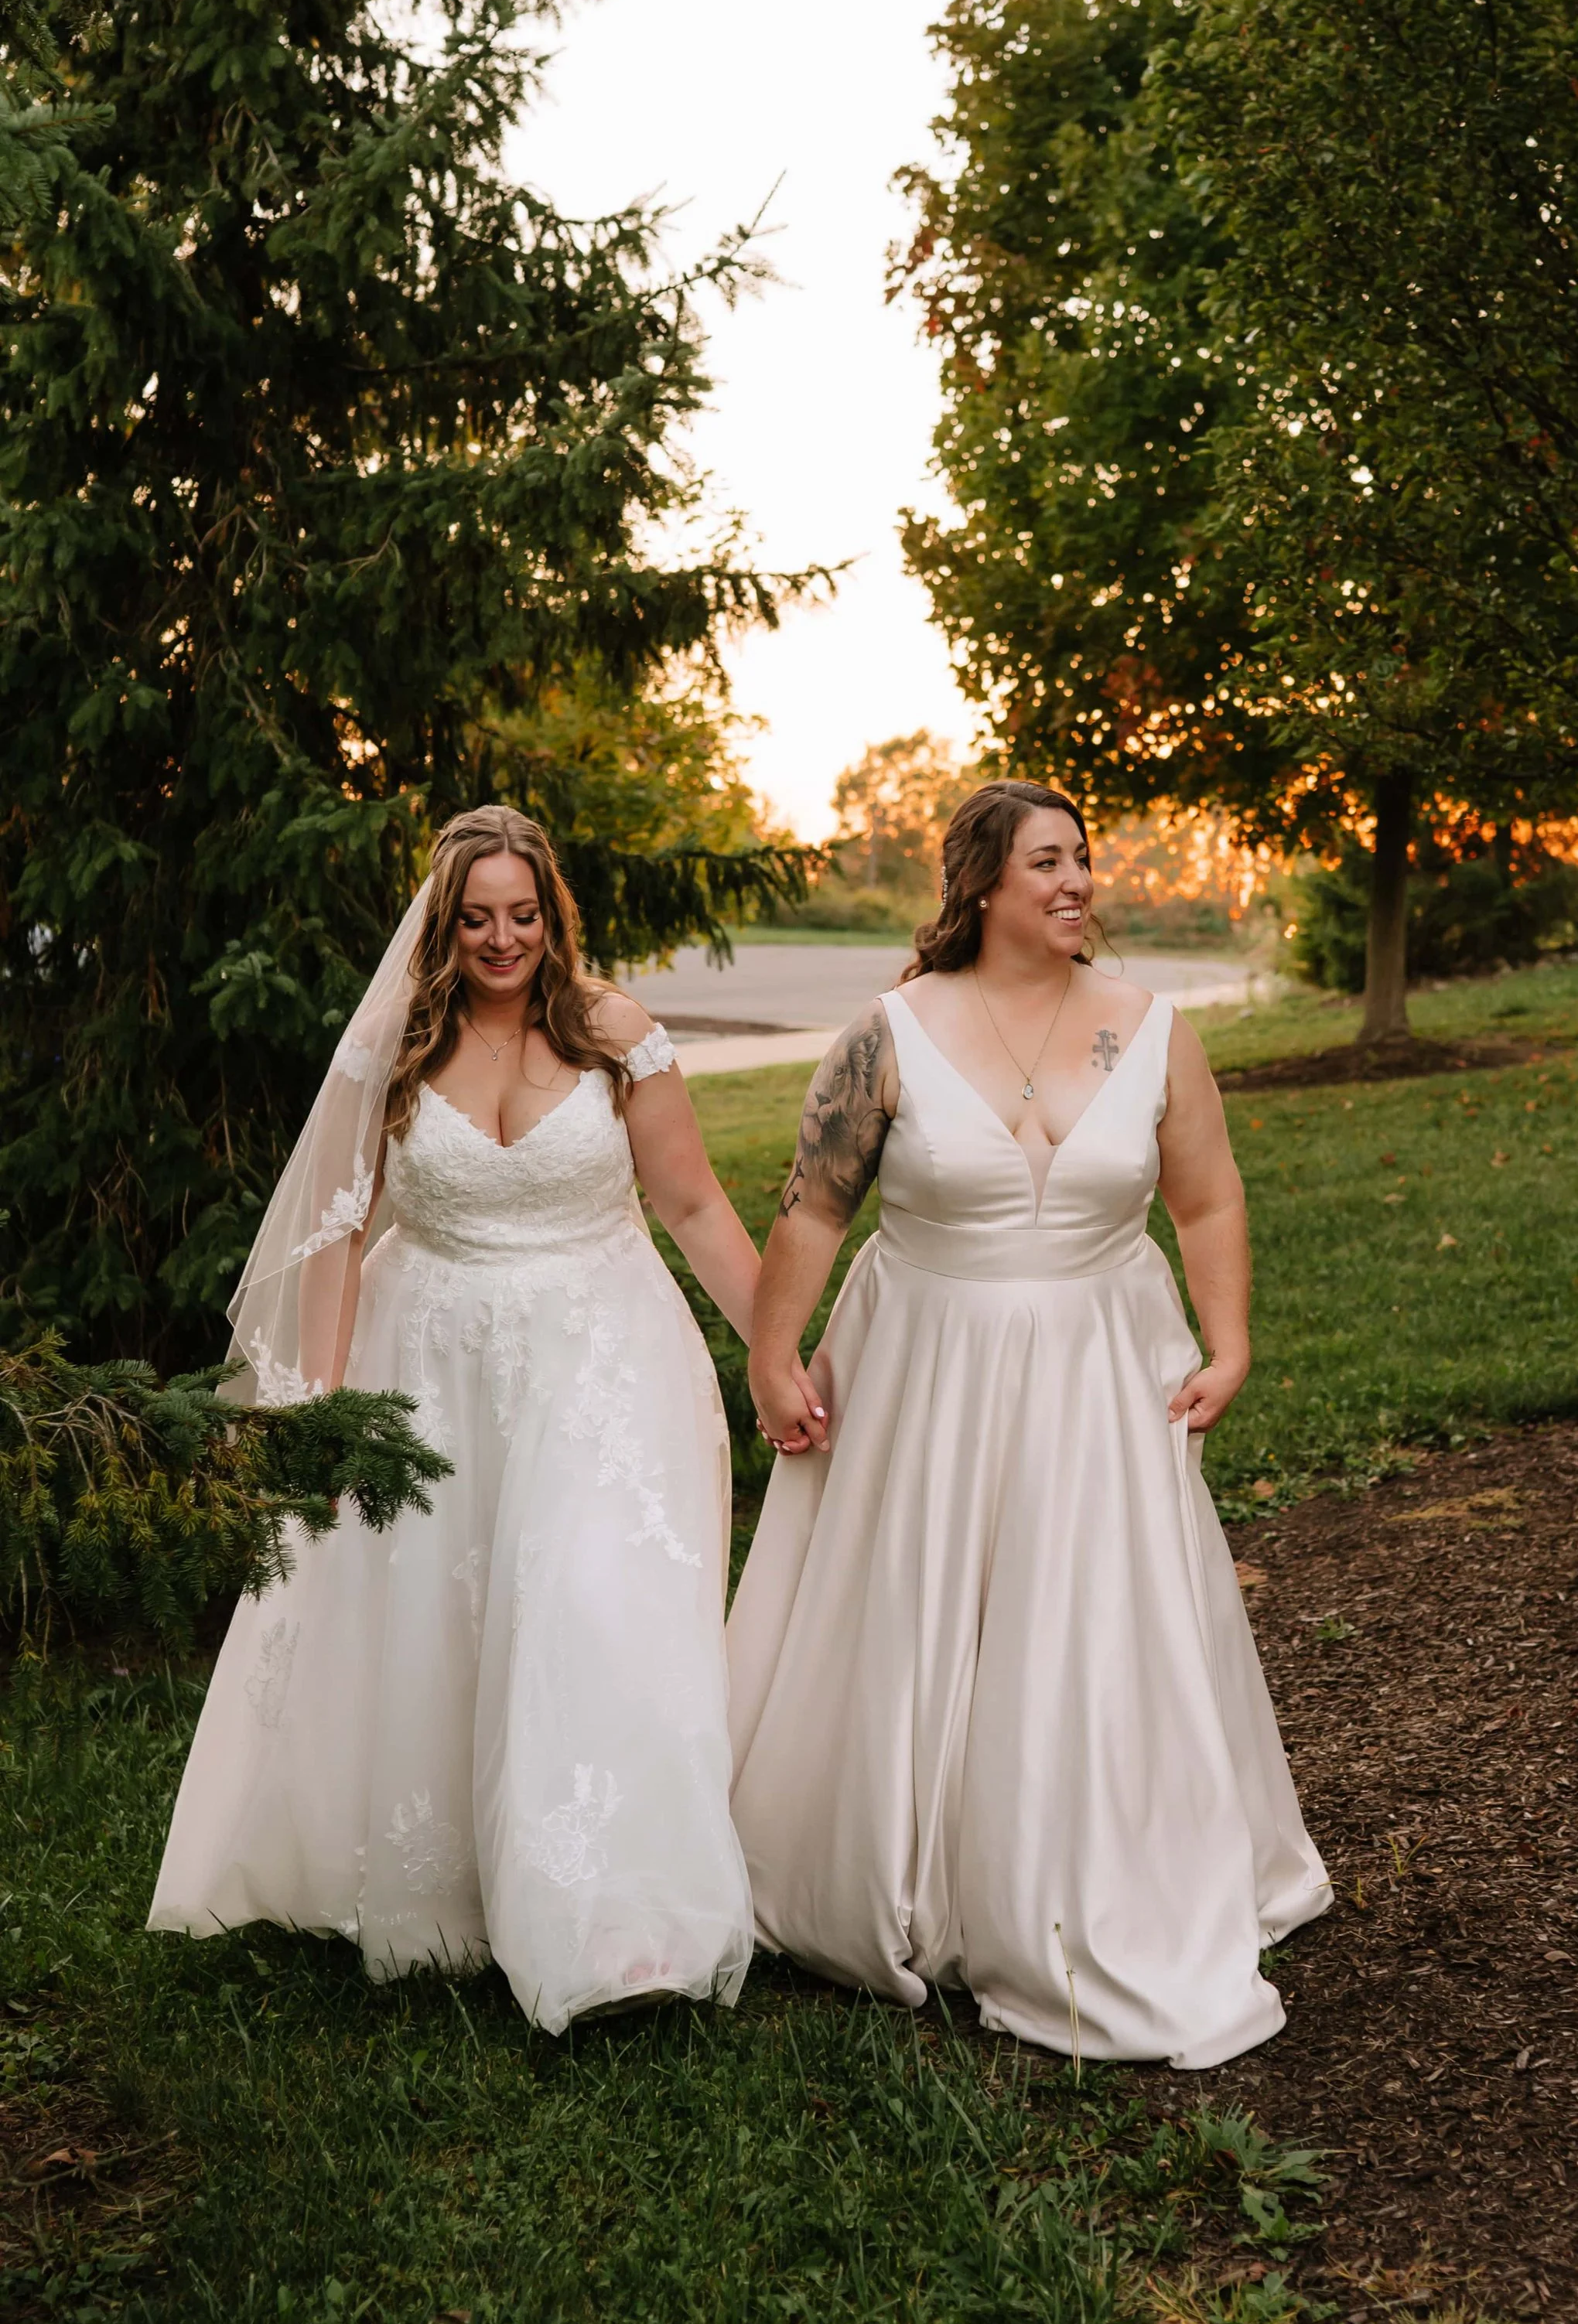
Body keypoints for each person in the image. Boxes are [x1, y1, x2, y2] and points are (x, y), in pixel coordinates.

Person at [151, 806, 816, 2029]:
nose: (501, 938)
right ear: (443, 923)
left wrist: (774, 1354)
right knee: (444, 1623)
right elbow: (339, 1236)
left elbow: (695, 1204)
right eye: (476, 916)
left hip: (601, 1361)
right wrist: (333, 1407)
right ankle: (456, 1888)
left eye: (522, 914)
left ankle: (619, 1926)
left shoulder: (615, 1033)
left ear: (550, 914)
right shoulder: (397, 1044)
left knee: (588, 1609)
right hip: (433, 1362)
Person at [729, 780, 1331, 2070]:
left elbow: (1209, 1199)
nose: (1075, 883)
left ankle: (1095, 1862)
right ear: (983, 883)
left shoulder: (1152, 1028)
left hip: (1104, 1366)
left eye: (1082, 861)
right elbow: (813, 1208)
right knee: (926, 1607)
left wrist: (1230, 1338)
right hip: (929, 1365)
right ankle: (913, 1864)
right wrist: (775, 1352)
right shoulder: (889, 1033)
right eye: (1047, 862)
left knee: (1090, 1619)